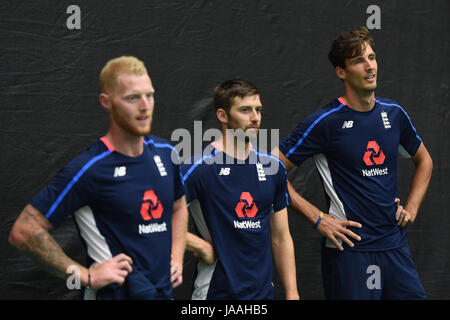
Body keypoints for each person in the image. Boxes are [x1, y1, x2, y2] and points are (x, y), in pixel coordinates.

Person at [272, 27, 433, 299]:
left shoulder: (393, 114)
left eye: (372, 57)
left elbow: (425, 160)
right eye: (359, 61)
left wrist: (412, 208)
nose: (370, 66)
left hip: (394, 246)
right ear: (341, 72)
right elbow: (268, 169)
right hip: (350, 251)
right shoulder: (326, 121)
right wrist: (317, 217)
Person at [8, 56, 188, 300]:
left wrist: (177, 256)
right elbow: (24, 231)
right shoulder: (90, 168)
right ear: (107, 102)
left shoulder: (167, 153)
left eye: (150, 95)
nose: (145, 106)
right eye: (132, 98)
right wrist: (85, 276)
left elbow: (178, 206)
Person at [180, 79, 299, 300]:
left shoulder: (273, 167)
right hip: (216, 294)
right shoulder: (199, 168)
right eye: (245, 110)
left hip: (263, 296)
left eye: (258, 110)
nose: (255, 117)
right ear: (223, 116)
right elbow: (158, 221)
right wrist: (200, 245)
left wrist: (292, 294)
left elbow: (281, 237)